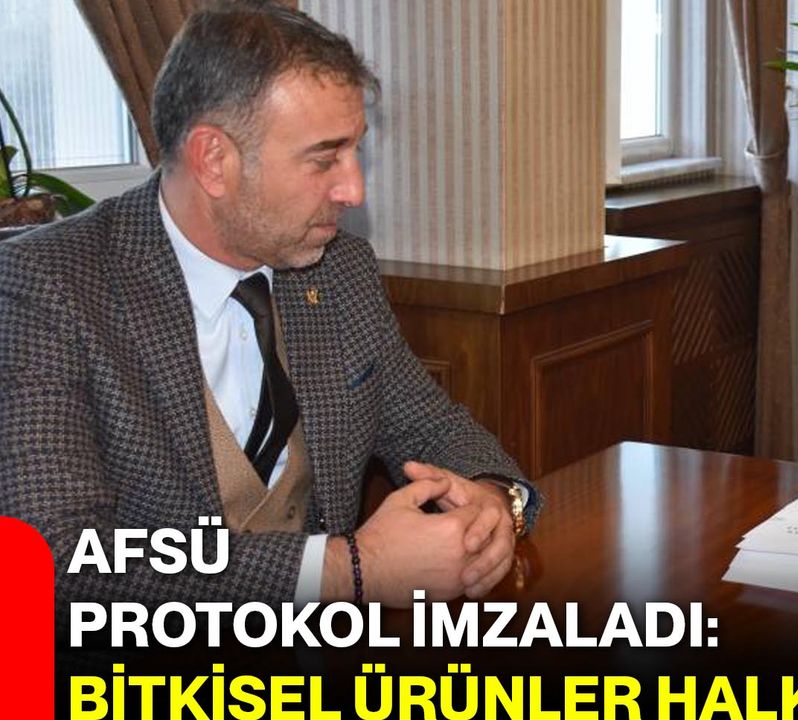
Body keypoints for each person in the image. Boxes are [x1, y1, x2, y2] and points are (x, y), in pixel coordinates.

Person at [0, 0, 540, 611]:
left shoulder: (340, 268)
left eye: (355, 152)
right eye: (324, 158)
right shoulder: (46, 285)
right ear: (214, 160)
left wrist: (496, 500)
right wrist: (346, 571)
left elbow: (430, 426)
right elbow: (53, 557)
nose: (354, 189)